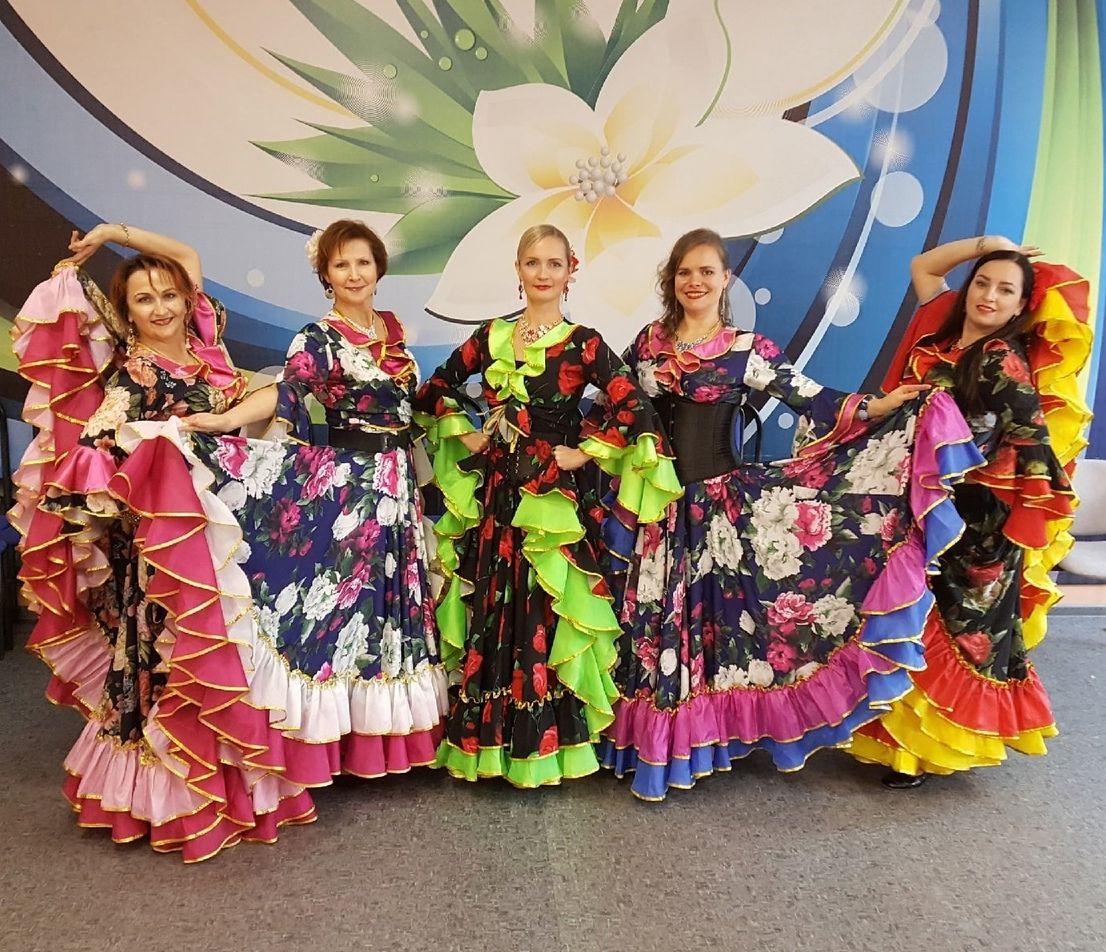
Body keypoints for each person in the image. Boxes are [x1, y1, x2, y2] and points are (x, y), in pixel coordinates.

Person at [596, 228, 981, 801]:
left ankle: (693, 743)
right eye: (685, 272)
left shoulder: (745, 348)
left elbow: (813, 399)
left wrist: (879, 406)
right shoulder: (647, 343)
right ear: (671, 280)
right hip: (655, 508)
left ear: (725, 279)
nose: (695, 282)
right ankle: (647, 745)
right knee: (653, 625)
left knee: (712, 629)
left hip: (716, 510)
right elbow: (618, 405)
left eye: (706, 271)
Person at [12, 224, 315, 860]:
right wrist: (151, 452)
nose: (161, 308)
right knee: (175, 664)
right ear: (126, 313)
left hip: (227, 538)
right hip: (168, 555)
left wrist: (110, 234)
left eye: (169, 294)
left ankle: (240, 780)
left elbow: (186, 254)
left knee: (233, 658)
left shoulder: (207, 344)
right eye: (143, 300)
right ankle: (174, 799)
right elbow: (95, 452)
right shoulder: (133, 378)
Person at [412, 223, 681, 787]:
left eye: (553, 264)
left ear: (569, 272)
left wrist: (584, 452)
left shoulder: (583, 343)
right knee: (495, 609)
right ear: (518, 270)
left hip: (551, 499)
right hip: (497, 497)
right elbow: (434, 389)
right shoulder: (490, 336)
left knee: (545, 609)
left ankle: (548, 749)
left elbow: (634, 406)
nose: (542, 273)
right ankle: (491, 748)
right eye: (532, 262)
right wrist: (467, 432)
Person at [180, 218, 449, 779]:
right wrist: (225, 421)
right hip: (354, 488)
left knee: (390, 608)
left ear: (379, 268)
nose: (354, 273)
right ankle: (333, 742)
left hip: (398, 485)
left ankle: (389, 739)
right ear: (326, 274)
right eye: (340, 264)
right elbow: (287, 392)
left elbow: (411, 404)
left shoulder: (392, 329)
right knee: (342, 609)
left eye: (362, 262)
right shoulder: (318, 338)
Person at [850, 236, 1092, 786]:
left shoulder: (1002, 359)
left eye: (1006, 290)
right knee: (908, 617)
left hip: (976, 520)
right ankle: (892, 741)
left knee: (953, 631)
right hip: (920, 504)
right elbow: (922, 264)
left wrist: (1029, 511)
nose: (989, 296)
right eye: (983, 282)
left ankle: (918, 753)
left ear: (1021, 305)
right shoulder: (941, 329)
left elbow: (1032, 439)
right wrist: (990, 246)